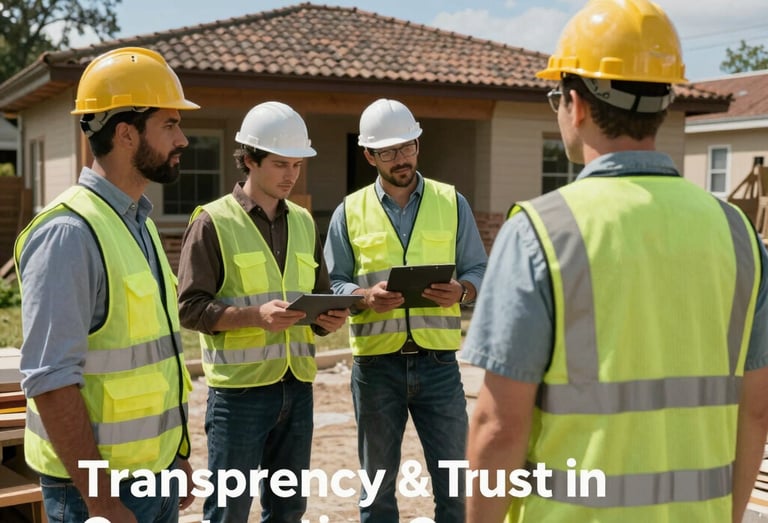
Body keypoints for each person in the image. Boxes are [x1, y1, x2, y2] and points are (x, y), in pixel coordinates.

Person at [462, 1, 768, 522]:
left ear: (575, 104)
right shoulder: (739, 234)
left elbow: (498, 426)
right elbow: (756, 412)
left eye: (555, 96)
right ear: (664, 103)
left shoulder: (540, 232)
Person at [13, 47, 199, 523]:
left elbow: (152, 360)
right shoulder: (69, 234)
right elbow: (51, 382)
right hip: (97, 494)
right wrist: (101, 501)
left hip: (152, 477)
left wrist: (173, 455)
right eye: (170, 125)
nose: (183, 138)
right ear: (125, 133)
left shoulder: (140, 224)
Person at [176, 101, 349, 522]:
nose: (291, 175)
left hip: (298, 388)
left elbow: (320, 295)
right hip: (239, 395)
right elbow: (190, 309)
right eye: (280, 164)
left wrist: (330, 319)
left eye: (297, 165)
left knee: (289, 510)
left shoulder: (306, 223)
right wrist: (256, 316)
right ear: (250, 160)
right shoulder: (212, 222)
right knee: (229, 511)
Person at [324, 97, 488, 522]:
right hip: (377, 369)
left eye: (408, 146)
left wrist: (462, 292)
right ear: (369, 155)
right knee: (377, 492)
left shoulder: (453, 203)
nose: (402, 158)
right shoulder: (349, 212)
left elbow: (479, 270)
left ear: (418, 142)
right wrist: (363, 297)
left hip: (438, 364)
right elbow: (332, 283)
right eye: (389, 151)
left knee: (455, 486)